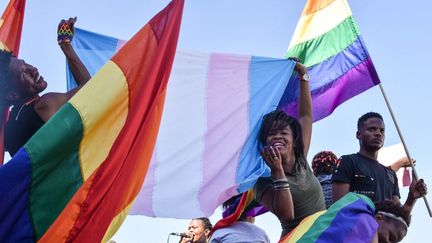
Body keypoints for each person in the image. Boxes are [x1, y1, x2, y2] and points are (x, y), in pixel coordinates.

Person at [253, 58, 326, 238]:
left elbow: (306, 115)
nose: (277, 136)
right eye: (271, 133)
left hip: (324, 235)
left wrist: (303, 76)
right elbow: (287, 215)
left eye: (283, 133)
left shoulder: (301, 158)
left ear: (294, 141)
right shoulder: (261, 180)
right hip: (297, 239)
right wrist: (277, 171)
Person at [0, 17, 90, 156]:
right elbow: (89, 89)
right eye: (24, 73)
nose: (33, 69)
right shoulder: (43, 105)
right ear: (13, 95)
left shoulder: (10, 129)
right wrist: (65, 45)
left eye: (26, 63)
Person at [332, 112, 427, 214]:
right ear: (358, 134)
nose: (378, 133)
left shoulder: (390, 174)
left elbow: (398, 218)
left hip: (381, 230)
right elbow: (339, 210)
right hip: (356, 229)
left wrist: (411, 198)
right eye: (371, 129)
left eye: (382, 131)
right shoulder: (348, 161)